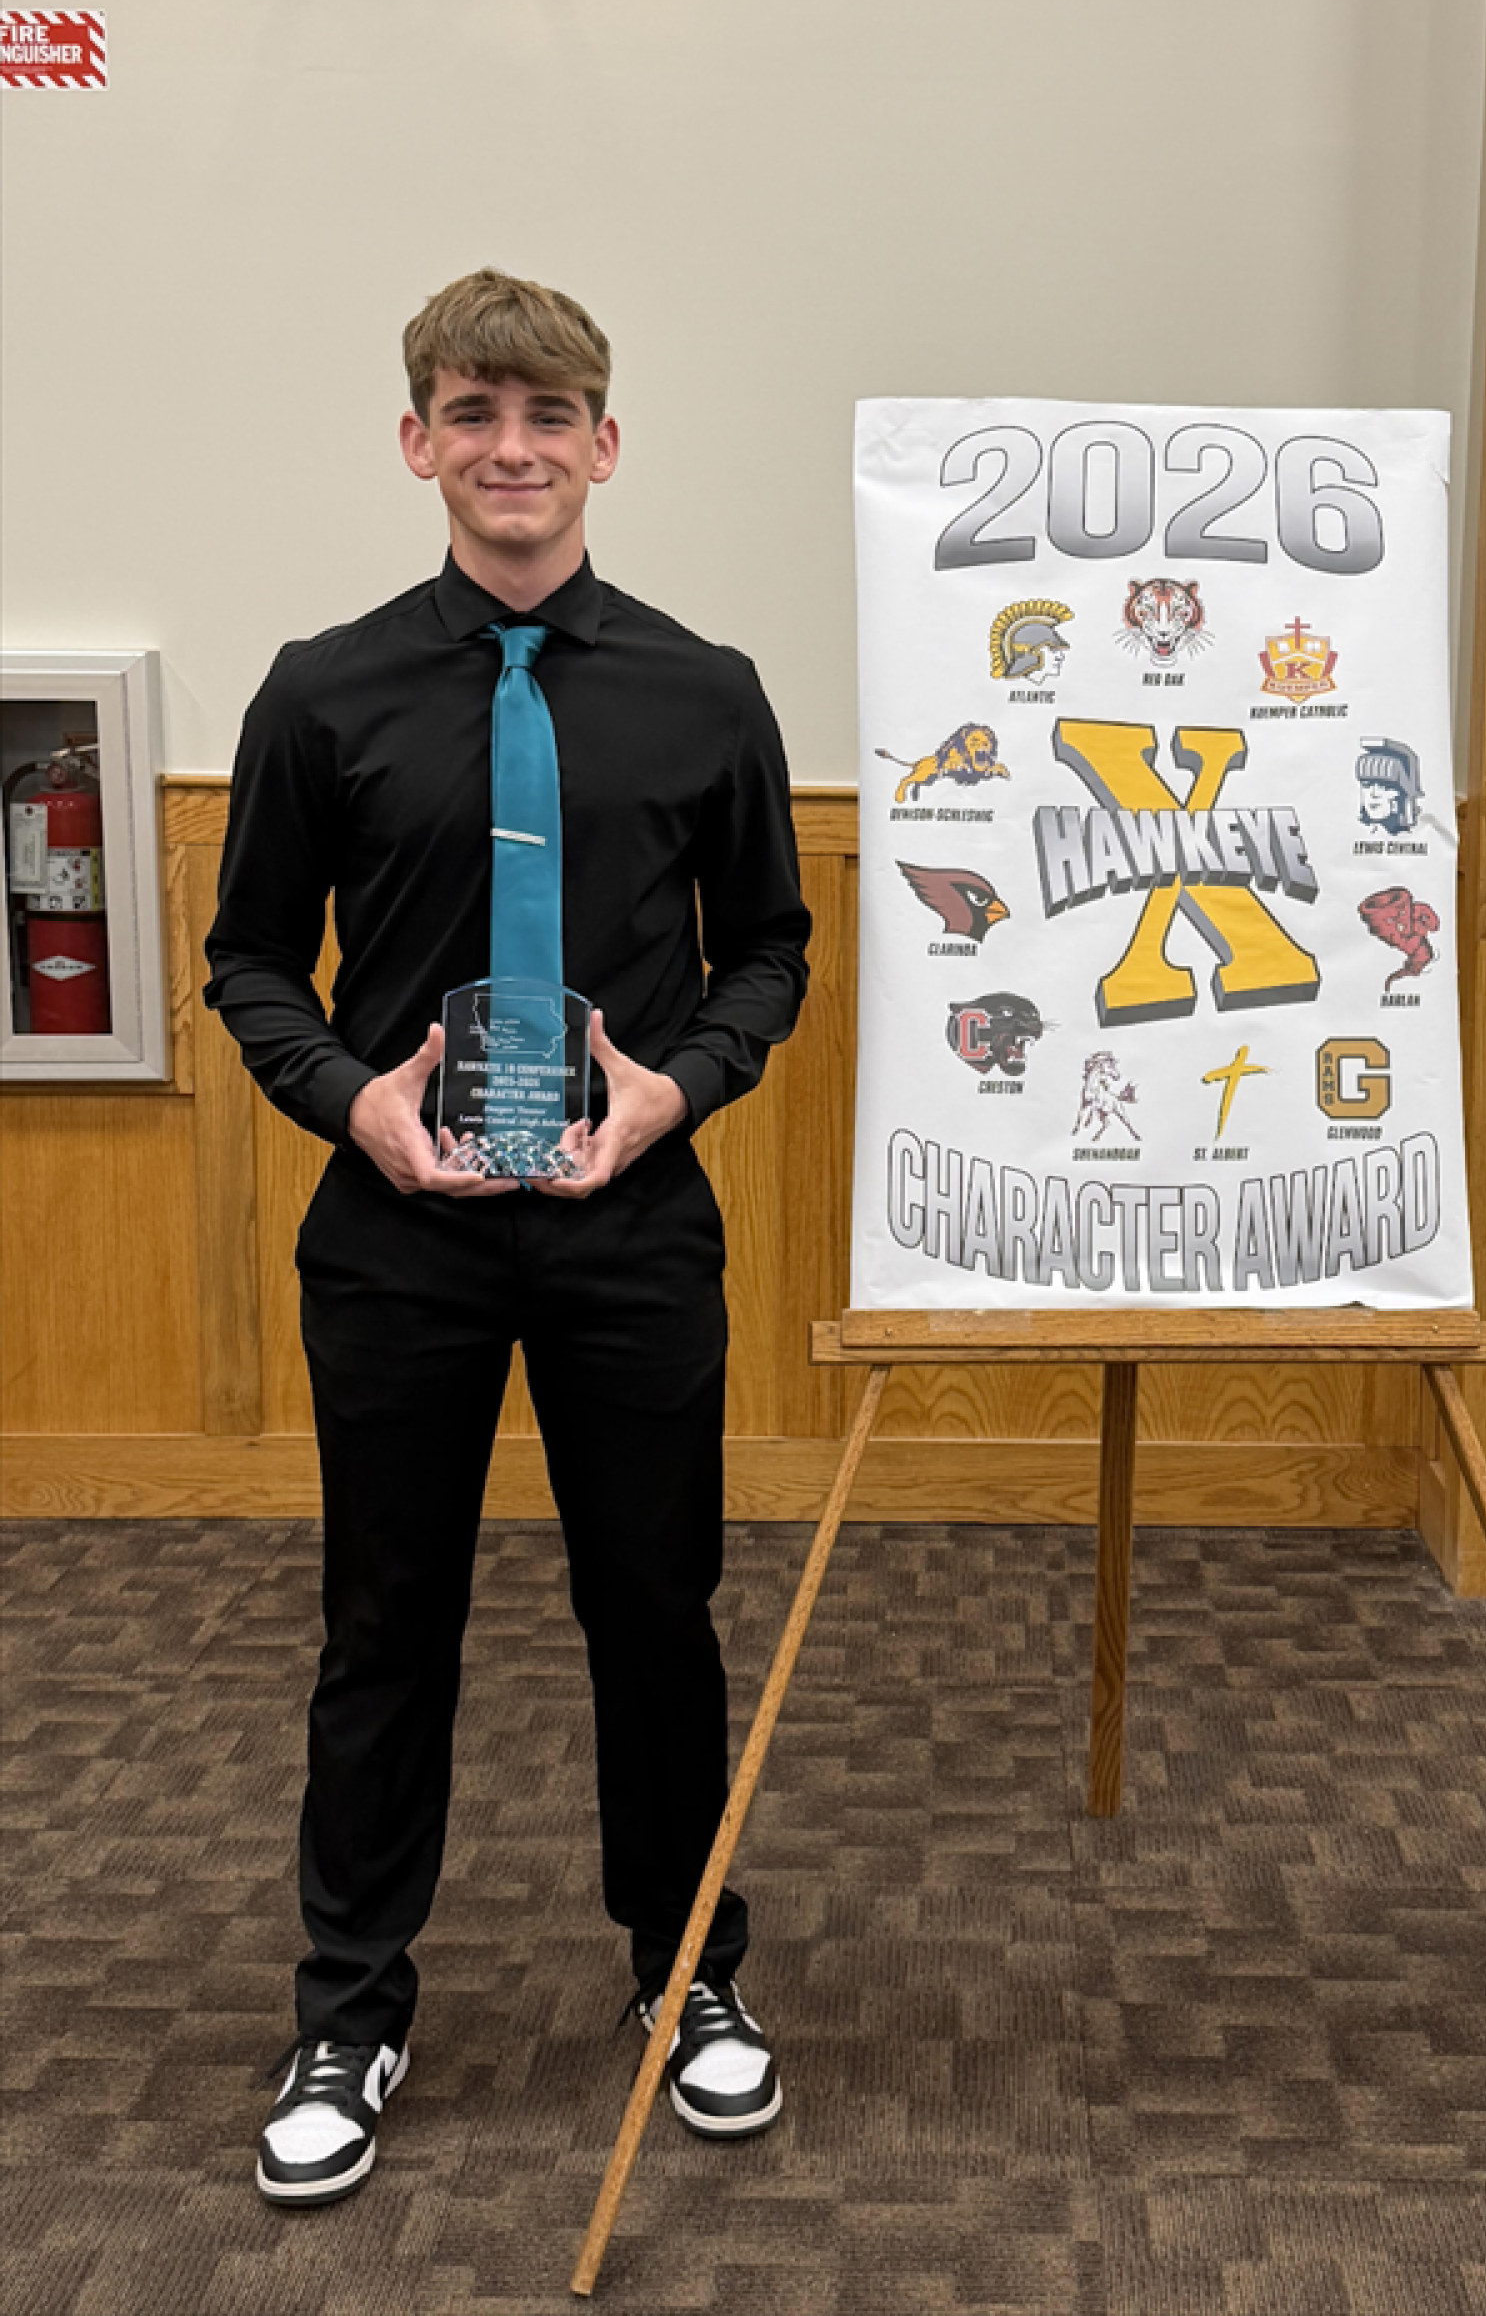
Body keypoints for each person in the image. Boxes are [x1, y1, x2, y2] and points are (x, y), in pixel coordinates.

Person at [205, 268, 811, 2206]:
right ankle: (350, 2002)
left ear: (605, 444)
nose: (513, 449)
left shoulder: (707, 689)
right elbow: (245, 961)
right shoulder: (324, 684)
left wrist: (676, 1089)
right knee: (387, 1624)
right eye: (473, 412)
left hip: (629, 1227)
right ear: (419, 443)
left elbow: (771, 952)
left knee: (656, 1612)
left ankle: (686, 1974)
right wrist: (353, 1099)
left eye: (549, 415)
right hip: (401, 1237)